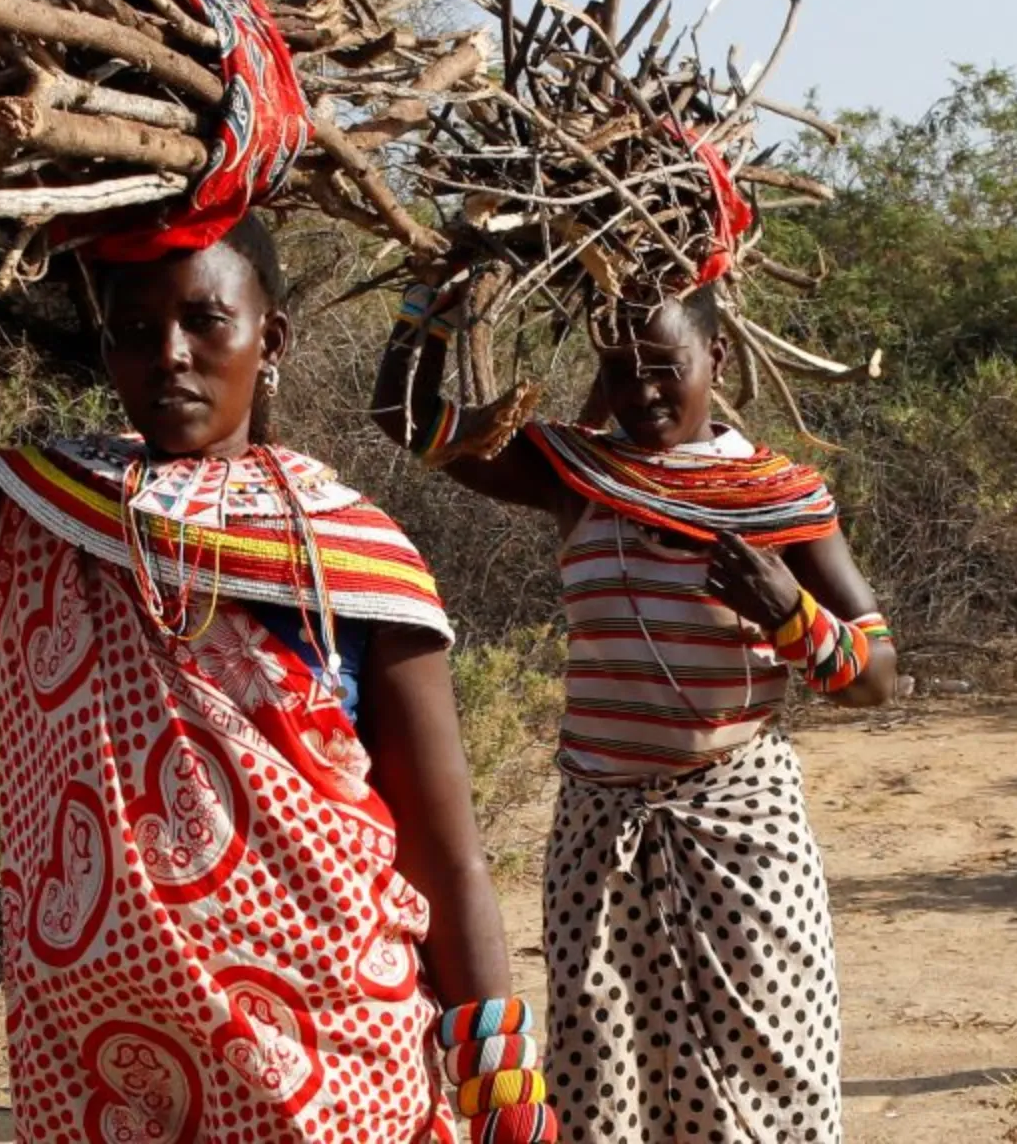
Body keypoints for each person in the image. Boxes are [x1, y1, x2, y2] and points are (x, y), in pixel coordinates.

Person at [0, 209, 554, 1142]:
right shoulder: (45, 514)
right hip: (109, 1081)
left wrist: (500, 1089)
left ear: (269, 337)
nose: (169, 355)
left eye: (205, 321)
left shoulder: (354, 555)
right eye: (132, 332)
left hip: (337, 1066)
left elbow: (445, 852)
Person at [374, 276, 900, 1143]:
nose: (644, 392)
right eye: (620, 371)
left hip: (740, 831)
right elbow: (409, 419)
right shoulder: (575, 475)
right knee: (605, 1079)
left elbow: (878, 673)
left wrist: (792, 615)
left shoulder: (777, 498)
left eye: (666, 367)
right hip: (599, 830)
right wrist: (443, 292)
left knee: (769, 1078)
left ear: (717, 358)